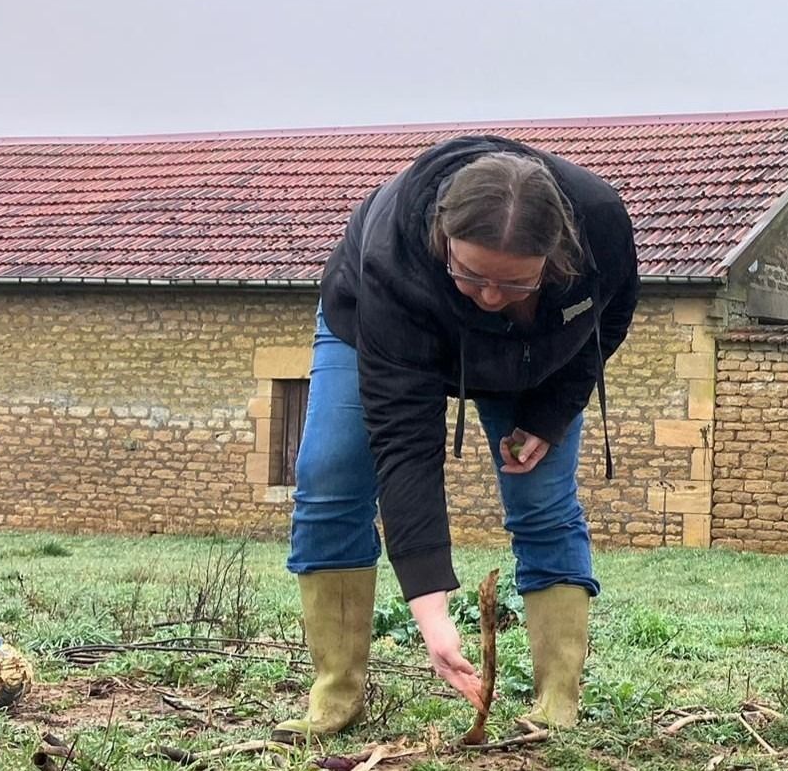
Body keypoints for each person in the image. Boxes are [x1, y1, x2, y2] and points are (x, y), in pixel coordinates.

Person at [272, 136, 639, 742]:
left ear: (556, 259)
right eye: (473, 276)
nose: (492, 297)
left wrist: (550, 415)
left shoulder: (599, 222)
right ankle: (334, 698)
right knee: (330, 473)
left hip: (531, 357)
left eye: (515, 282)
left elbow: (612, 316)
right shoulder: (394, 255)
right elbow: (405, 441)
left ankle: (557, 703)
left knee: (542, 497)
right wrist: (431, 607)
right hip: (375, 327)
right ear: (444, 239)